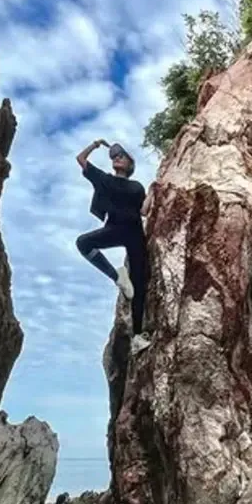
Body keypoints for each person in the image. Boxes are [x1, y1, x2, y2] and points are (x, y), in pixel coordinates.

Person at [75, 139, 151, 355]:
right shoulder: (104, 180)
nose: (117, 158)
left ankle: (137, 336)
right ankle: (117, 276)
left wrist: (154, 191)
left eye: (122, 155)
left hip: (135, 234)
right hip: (114, 229)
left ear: (130, 163)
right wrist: (95, 144)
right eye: (114, 156)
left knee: (139, 286)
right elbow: (81, 159)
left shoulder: (137, 187)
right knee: (83, 242)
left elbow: (144, 211)